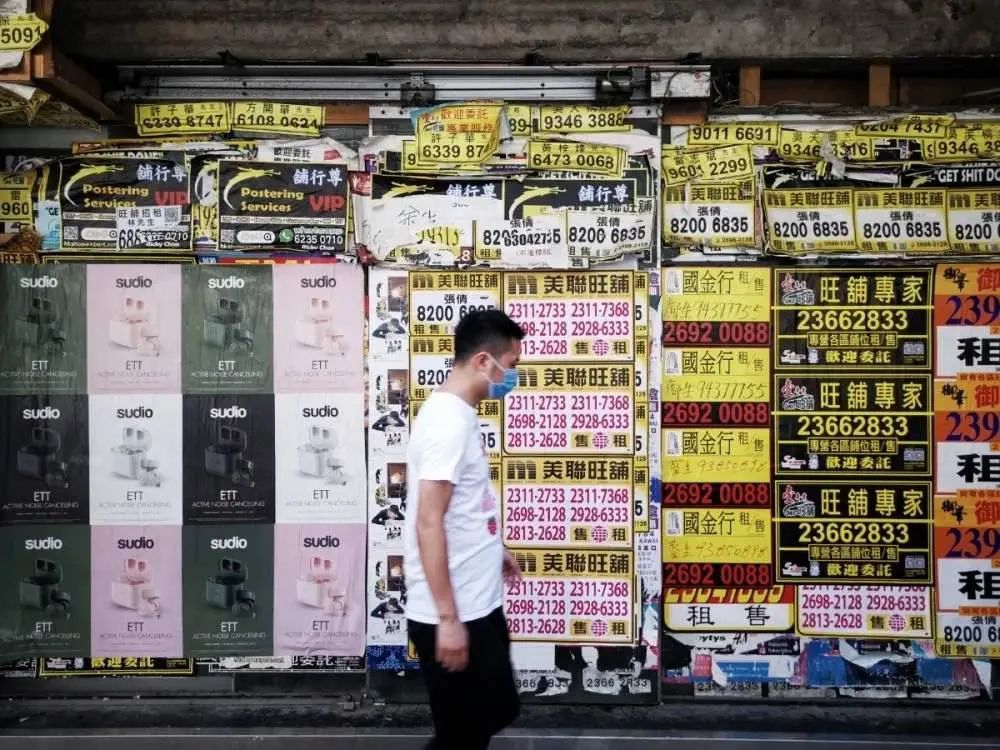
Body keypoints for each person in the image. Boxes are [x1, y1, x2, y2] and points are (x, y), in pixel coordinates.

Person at [404, 308, 525, 750]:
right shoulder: (446, 424)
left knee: (494, 712)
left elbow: (465, 506)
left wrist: (497, 548)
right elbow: (428, 520)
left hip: (479, 601)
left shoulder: (461, 415)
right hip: (455, 614)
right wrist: (448, 621)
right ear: (482, 362)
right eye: (510, 366)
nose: (512, 378)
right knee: (461, 738)